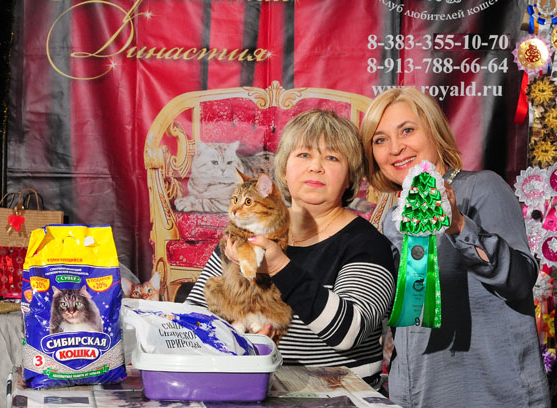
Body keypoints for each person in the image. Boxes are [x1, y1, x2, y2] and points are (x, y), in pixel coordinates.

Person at [359, 87, 550, 407]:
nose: (395, 148)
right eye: (380, 140)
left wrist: (458, 224)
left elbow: (519, 282)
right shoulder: (390, 220)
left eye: (407, 130)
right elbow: (405, 320)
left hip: (489, 395)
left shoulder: (482, 188)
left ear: (434, 130)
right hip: (416, 394)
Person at [186, 109, 396, 386]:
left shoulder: (367, 244)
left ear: (350, 178)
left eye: (332, 157)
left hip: (339, 398)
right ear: (284, 171)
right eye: (304, 154)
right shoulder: (245, 232)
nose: (316, 167)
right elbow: (195, 317)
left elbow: (349, 332)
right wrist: (239, 340)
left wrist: (277, 266)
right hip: (254, 393)